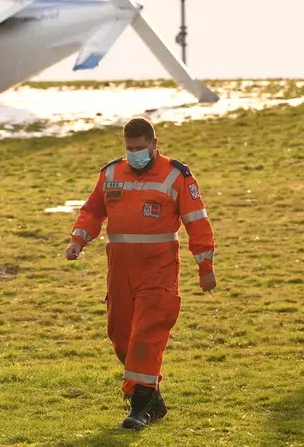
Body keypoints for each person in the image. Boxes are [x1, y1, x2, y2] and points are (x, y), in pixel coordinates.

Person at [65, 117, 217, 430]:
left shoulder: (176, 176)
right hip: (120, 271)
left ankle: (139, 408)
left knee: (147, 336)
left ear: (153, 145)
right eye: (129, 148)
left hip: (158, 271)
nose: (134, 153)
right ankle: (152, 396)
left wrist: (205, 266)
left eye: (140, 147)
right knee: (121, 337)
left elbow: (197, 222)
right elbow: (93, 210)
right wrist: (79, 238)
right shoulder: (110, 173)